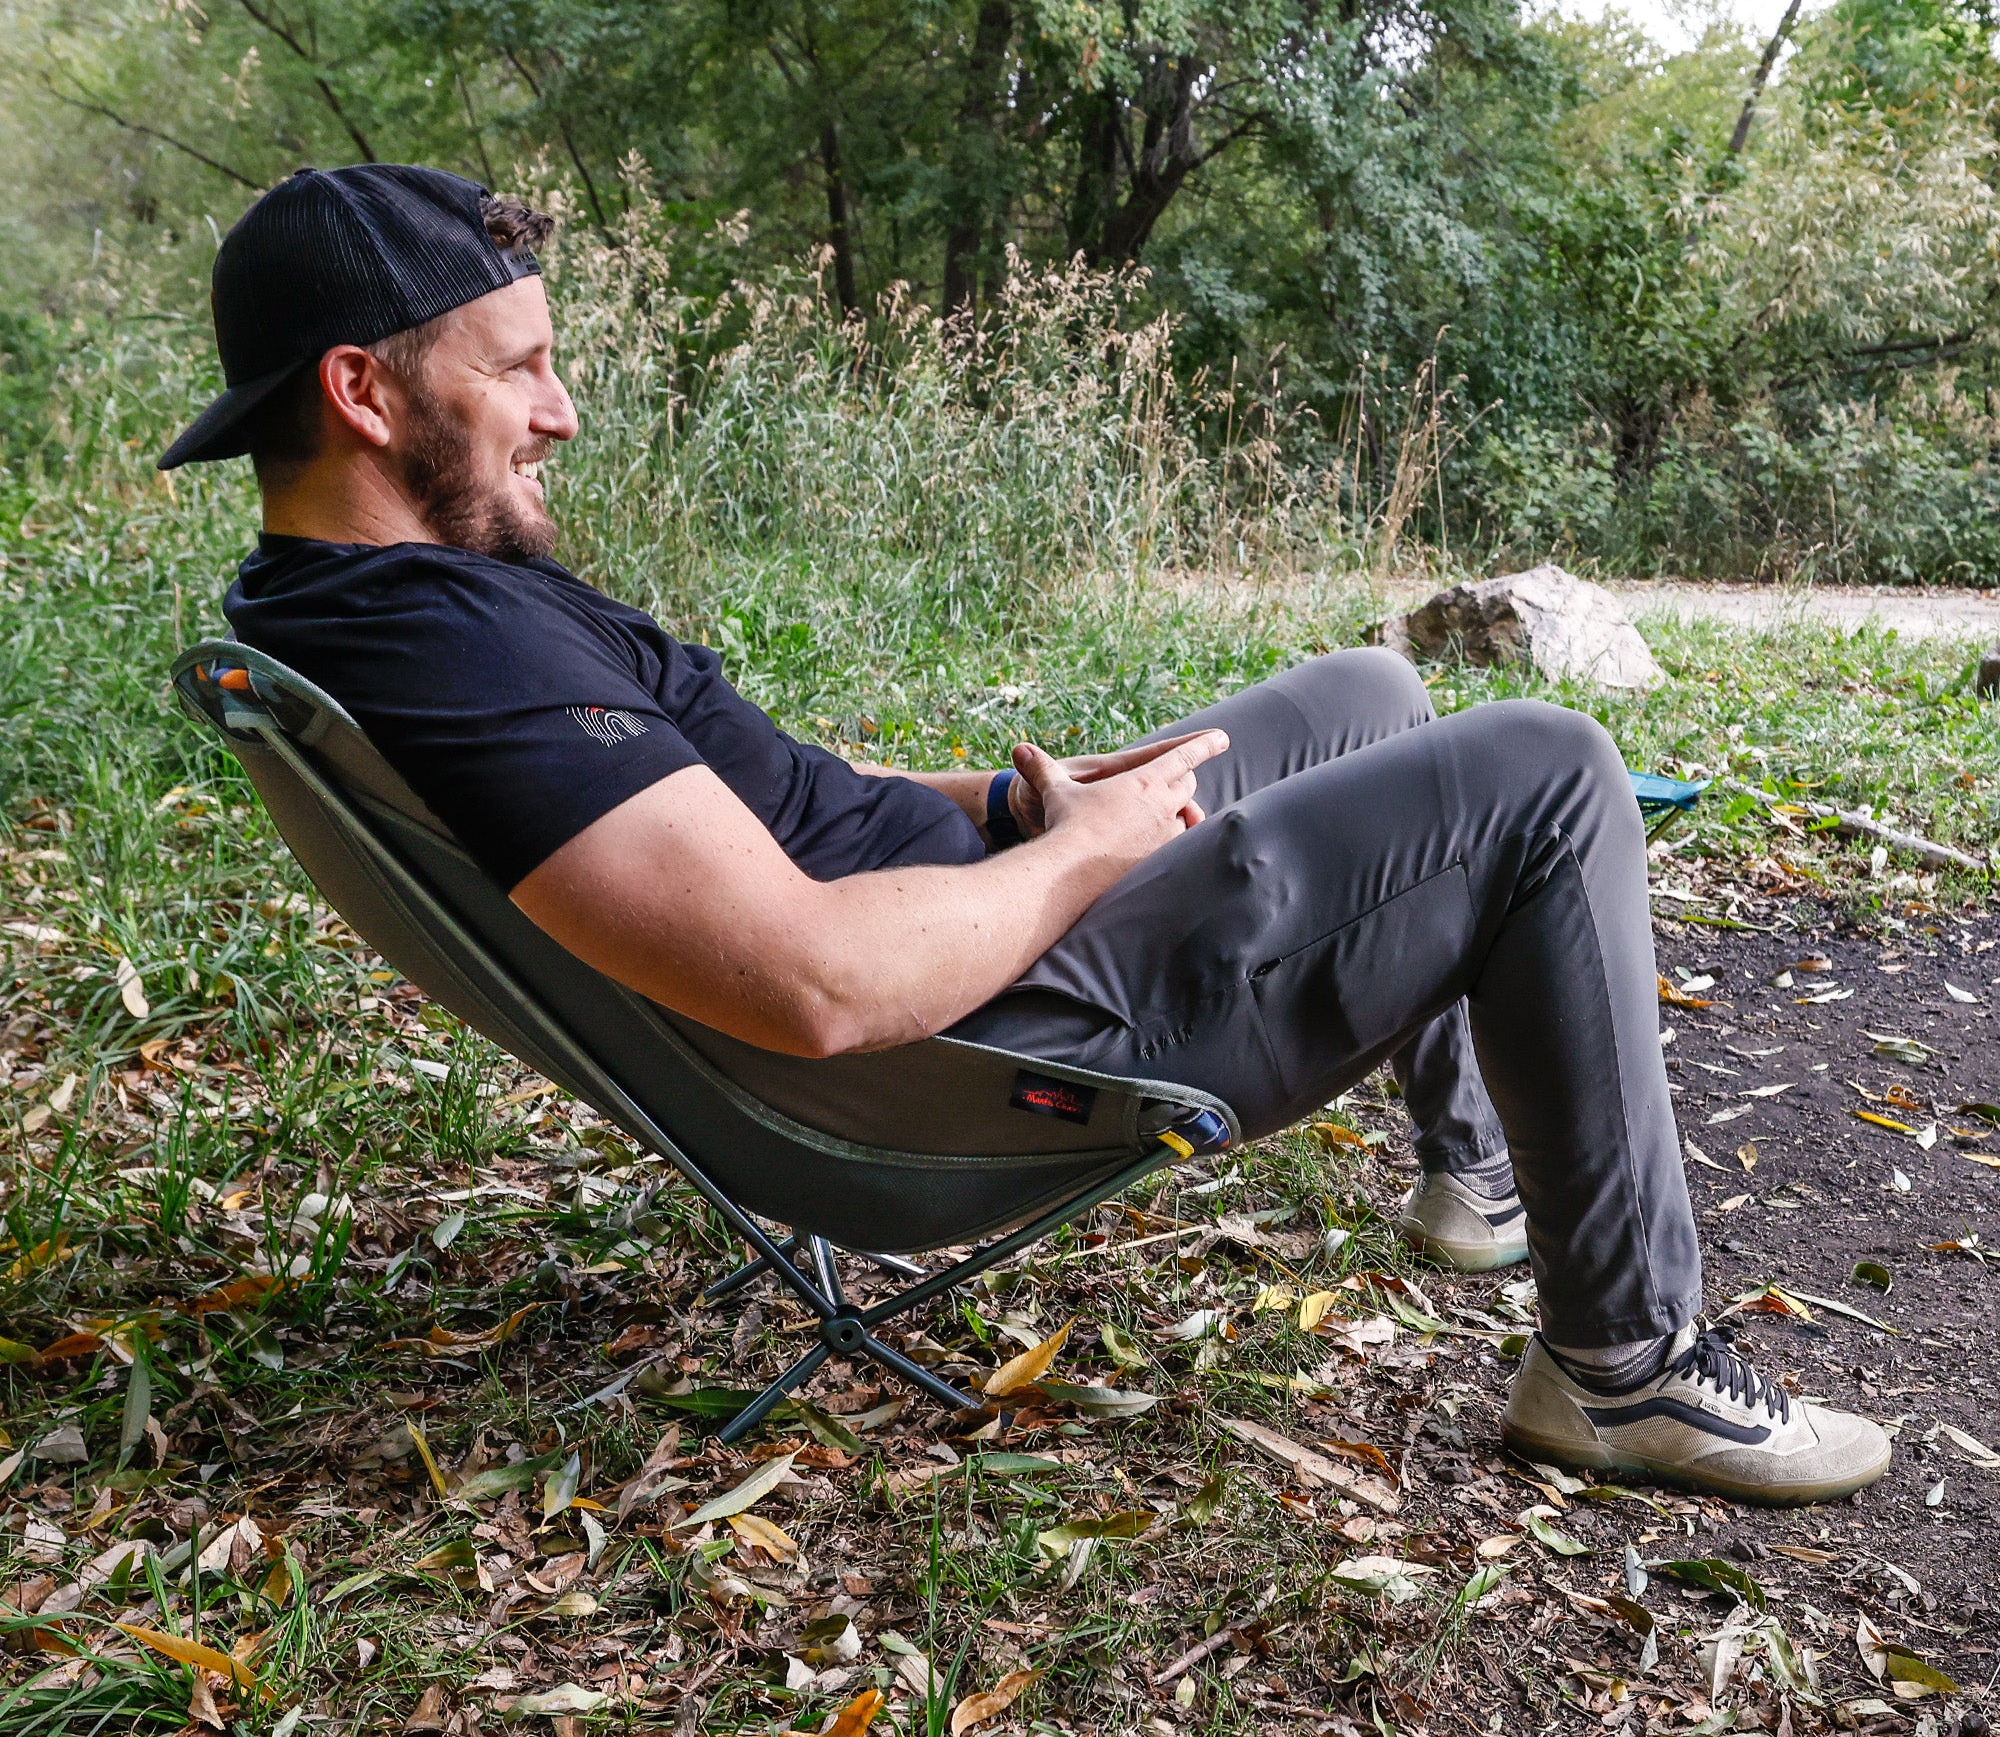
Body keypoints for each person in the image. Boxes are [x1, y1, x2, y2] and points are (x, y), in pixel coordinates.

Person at [166, 163, 1890, 1506]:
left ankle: (1478, 1179)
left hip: (971, 911)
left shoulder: (406, 601)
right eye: (520, 370)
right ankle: (1625, 1364)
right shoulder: (448, 650)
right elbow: (813, 989)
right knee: (1547, 765)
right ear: (364, 394)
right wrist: (1087, 854)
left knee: (1367, 687)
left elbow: (766, 814)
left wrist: (1011, 806)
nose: (557, 410)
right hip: (975, 1036)